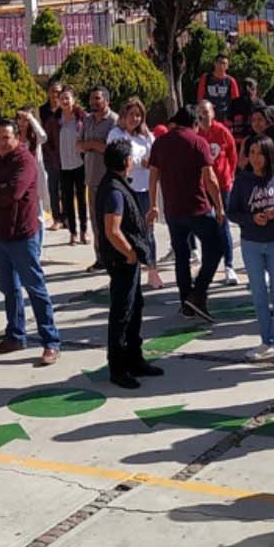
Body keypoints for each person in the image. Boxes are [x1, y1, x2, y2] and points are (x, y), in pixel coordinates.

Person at [0, 118, 59, 365]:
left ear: (16, 138)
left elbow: (13, 194)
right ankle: (15, 335)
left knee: (35, 287)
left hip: (22, 235)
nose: (1, 142)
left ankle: (51, 341)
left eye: (6, 137)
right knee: (8, 288)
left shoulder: (25, 161)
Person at [227, 135, 274, 364]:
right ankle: (266, 340)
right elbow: (233, 212)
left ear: (269, 154)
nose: (255, 158)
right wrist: (252, 219)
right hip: (251, 242)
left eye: (260, 153)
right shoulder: (242, 181)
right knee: (259, 294)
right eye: (251, 153)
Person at [152, 106, 227, 323]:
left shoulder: (161, 142)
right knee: (217, 246)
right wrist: (219, 206)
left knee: (181, 255)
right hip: (197, 207)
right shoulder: (197, 142)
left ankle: (186, 302)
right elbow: (210, 178)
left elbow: (154, 174)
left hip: (173, 209)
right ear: (194, 123)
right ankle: (199, 292)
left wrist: (153, 205)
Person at [96, 141, 162, 388]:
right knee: (122, 313)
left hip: (124, 258)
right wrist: (130, 253)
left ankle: (135, 359)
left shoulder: (118, 185)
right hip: (121, 260)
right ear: (126, 162)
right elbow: (112, 229)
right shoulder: (114, 190)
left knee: (134, 308)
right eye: (131, 158)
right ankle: (118, 367)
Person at [106, 99, 164, 289]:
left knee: (148, 231)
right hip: (125, 190)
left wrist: (149, 163)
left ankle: (152, 270)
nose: (135, 119)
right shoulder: (116, 134)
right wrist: (140, 162)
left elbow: (155, 158)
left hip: (144, 188)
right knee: (126, 231)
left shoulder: (147, 136)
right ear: (123, 115)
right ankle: (130, 270)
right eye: (131, 114)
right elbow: (118, 159)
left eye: (138, 115)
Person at [195, 99, 241, 284]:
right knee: (206, 226)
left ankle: (229, 266)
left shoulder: (222, 131)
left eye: (206, 112)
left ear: (213, 113)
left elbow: (232, 156)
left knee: (223, 224)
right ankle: (209, 265)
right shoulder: (196, 133)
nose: (203, 116)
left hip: (222, 185)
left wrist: (229, 176)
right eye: (200, 112)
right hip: (202, 186)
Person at [44, 86, 86, 243]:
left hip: (80, 163)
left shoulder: (82, 118)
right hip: (63, 165)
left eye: (68, 98)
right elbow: (46, 141)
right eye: (62, 98)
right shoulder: (54, 120)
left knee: (81, 198)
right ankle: (72, 232)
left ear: (74, 100)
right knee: (67, 200)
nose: (65, 101)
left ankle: (83, 231)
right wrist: (54, 159)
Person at [75, 87, 118, 207]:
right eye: (91, 99)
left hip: (108, 179)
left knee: (108, 219)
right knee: (95, 220)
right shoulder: (87, 120)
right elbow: (78, 146)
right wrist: (95, 144)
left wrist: (90, 144)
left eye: (97, 98)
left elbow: (112, 150)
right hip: (91, 178)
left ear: (107, 101)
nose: (93, 102)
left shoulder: (114, 121)